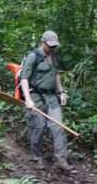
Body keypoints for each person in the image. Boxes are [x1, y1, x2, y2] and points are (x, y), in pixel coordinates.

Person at [19, 31, 72, 172]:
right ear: (43, 42)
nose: (52, 48)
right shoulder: (33, 57)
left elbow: (56, 75)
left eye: (54, 46)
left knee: (58, 126)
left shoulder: (53, 55)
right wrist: (28, 100)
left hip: (52, 97)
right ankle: (37, 157)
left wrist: (61, 92)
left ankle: (61, 160)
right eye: (50, 46)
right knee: (39, 126)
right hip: (35, 96)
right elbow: (24, 79)